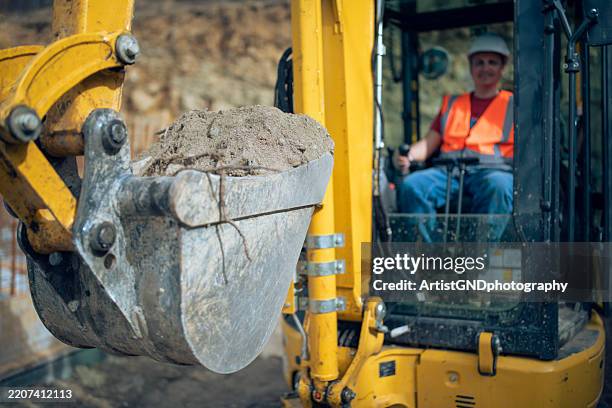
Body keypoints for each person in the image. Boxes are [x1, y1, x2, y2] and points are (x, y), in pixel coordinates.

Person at [394, 33, 514, 241]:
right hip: (449, 172)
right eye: (479, 63)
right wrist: (409, 157)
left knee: (500, 187)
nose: (485, 68)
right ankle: (433, 256)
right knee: (412, 186)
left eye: (492, 62)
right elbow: (429, 143)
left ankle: (482, 259)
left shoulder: (514, 105)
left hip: (491, 172)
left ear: (502, 67)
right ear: (471, 67)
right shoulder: (452, 104)